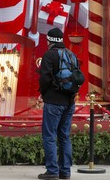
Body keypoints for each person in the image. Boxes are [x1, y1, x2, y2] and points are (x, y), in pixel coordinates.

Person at [38, 28, 76, 180]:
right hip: (69, 102)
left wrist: (43, 94)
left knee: (49, 136)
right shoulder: (70, 54)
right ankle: (65, 172)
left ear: (50, 40)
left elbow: (45, 78)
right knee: (64, 136)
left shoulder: (49, 55)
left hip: (53, 102)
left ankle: (52, 171)